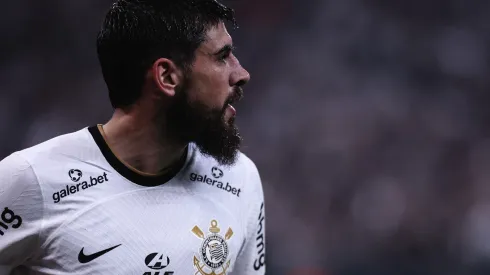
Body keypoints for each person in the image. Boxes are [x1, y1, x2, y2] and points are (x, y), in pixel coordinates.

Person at [0, 0, 266, 274]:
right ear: (167, 76)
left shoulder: (239, 179)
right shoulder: (29, 180)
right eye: (222, 56)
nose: (242, 74)